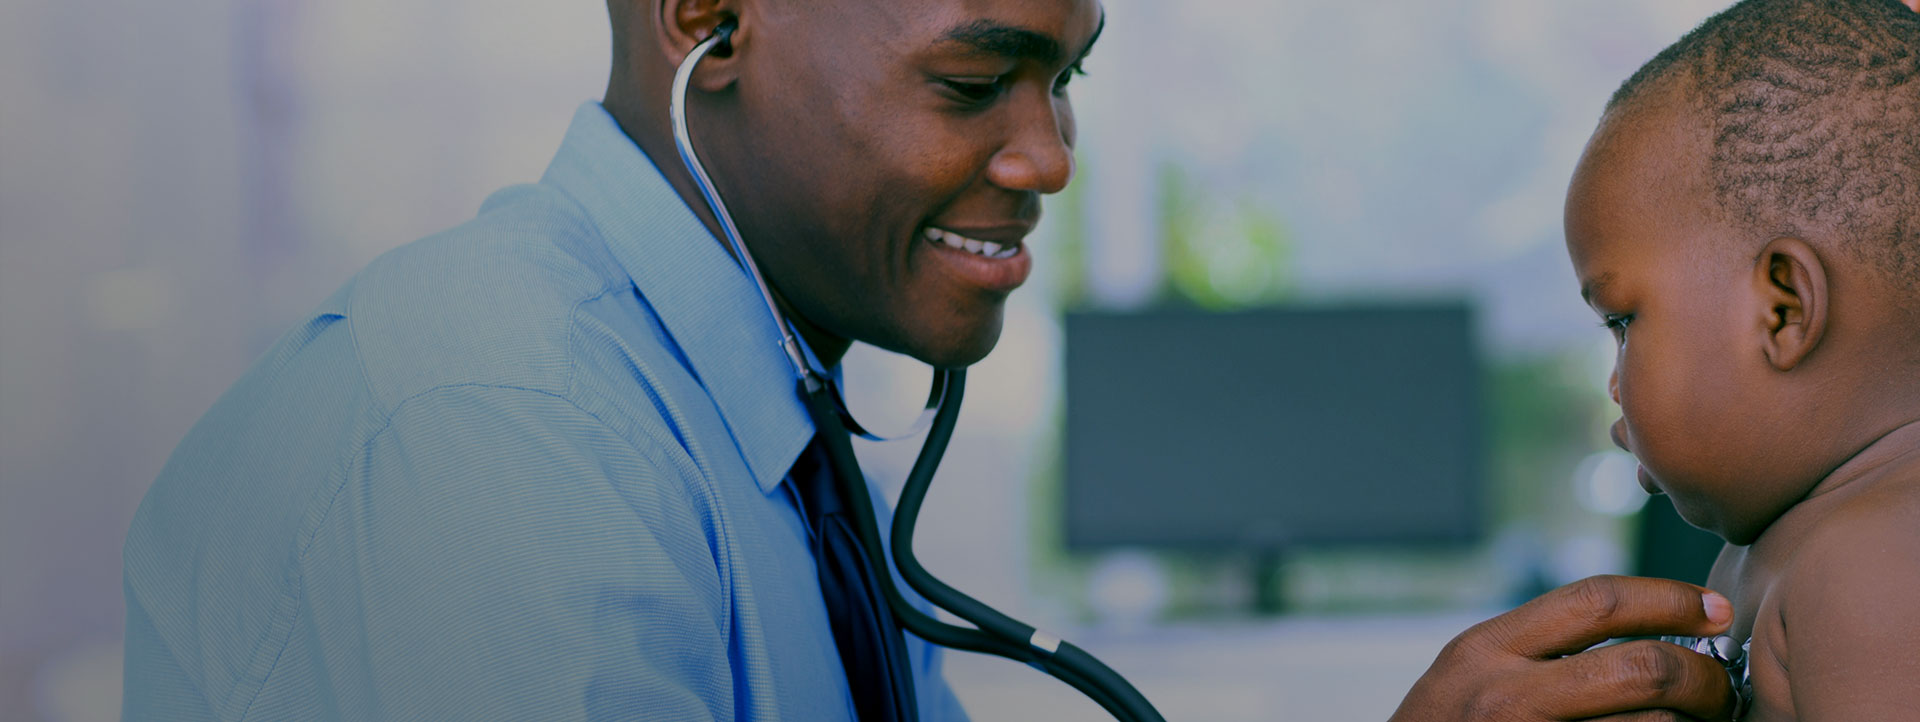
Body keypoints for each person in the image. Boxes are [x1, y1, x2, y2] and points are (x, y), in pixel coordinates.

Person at [123, 0, 1744, 719]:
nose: (1046, 156)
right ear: (712, 17)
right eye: (980, 80)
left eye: (1070, 79)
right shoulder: (496, 445)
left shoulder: (747, 414)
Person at [1563, 0, 1920, 718]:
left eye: (1623, 322)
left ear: (1782, 310)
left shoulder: (1876, 568)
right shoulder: (1801, 539)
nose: (1615, 385)